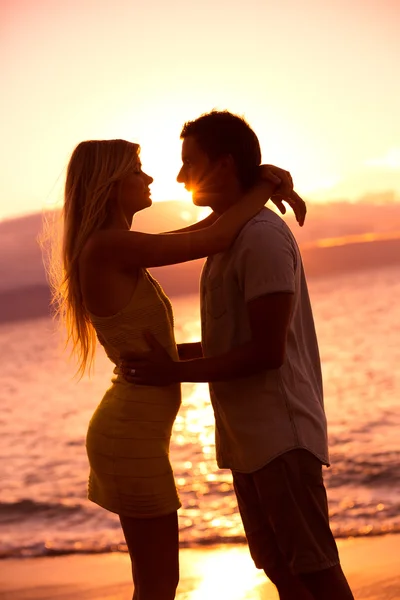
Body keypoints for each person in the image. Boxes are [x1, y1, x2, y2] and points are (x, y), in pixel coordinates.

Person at [49, 137, 304, 600]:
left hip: (134, 432)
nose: (149, 179)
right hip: (130, 437)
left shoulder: (117, 246)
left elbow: (209, 226)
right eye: (137, 170)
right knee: (158, 584)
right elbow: (215, 238)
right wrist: (264, 185)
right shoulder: (108, 247)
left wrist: (257, 180)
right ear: (109, 184)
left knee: (156, 584)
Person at [121, 111, 355, 600]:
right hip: (249, 444)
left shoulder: (261, 238)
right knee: (283, 573)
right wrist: (164, 358)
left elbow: (267, 352)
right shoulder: (227, 237)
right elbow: (233, 340)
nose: (180, 177)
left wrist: (175, 371)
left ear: (224, 165)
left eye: (190, 163)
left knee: (315, 573)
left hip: (280, 439)